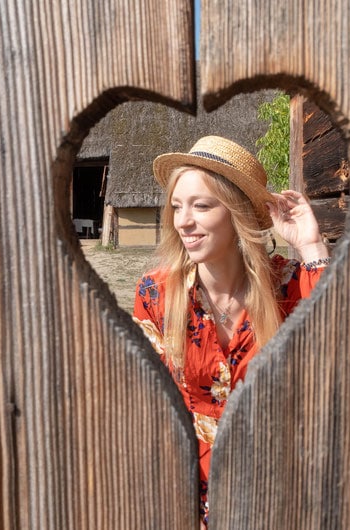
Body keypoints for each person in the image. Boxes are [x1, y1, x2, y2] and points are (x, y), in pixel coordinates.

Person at [133, 136, 330, 527]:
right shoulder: (157, 293)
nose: (183, 221)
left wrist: (311, 244)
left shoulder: (289, 287)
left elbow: (346, 332)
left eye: (201, 206)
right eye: (176, 207)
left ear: (237, 211)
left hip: (275, 489)